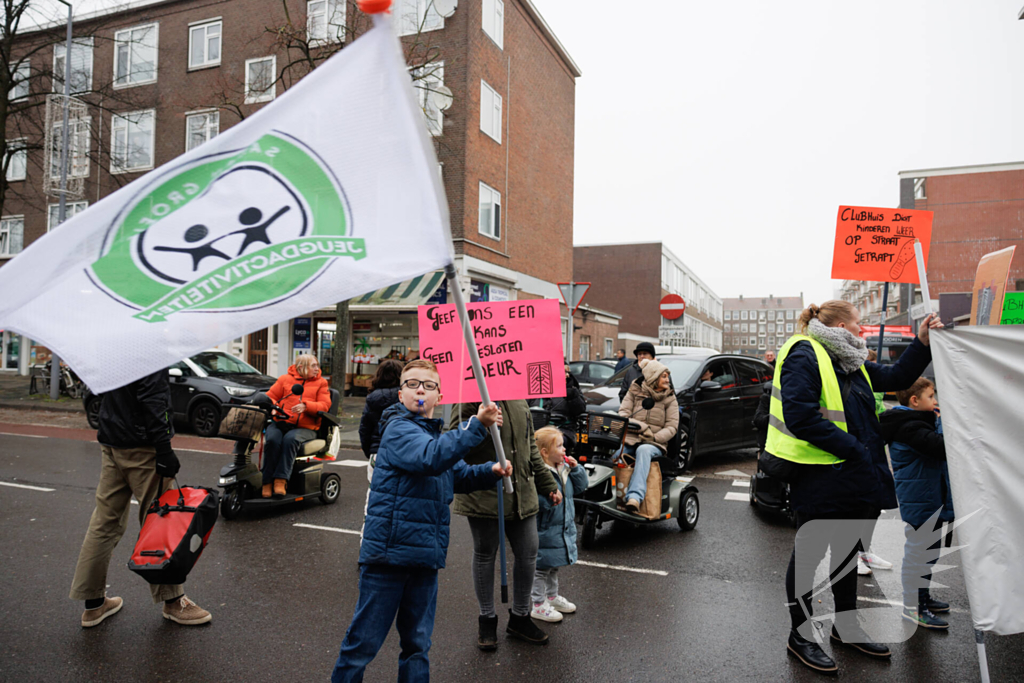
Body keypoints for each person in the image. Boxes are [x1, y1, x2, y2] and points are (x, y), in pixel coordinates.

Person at [767, 300, 941, 675]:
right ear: (842, 326)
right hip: (819, 475)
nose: (863, 331)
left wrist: (922, 343)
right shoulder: (805, 354)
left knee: (847, 555)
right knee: (809, 558)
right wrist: (856, 449)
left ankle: (845, 628)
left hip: (854, 477)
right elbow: (800, 415)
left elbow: (896, 377)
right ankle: (799, 635)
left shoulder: (850, 360)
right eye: (859, 325)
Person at [331, 360, 510, 682]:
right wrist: (475, 426)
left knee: (417, 645)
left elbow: (454, 474)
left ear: (439, 396)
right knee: (362, 644)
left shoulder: (433, 436)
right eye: (413, 384)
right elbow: (430, 458)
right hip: (388, 557)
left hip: (425, 557)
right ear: (401, 394)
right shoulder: (398, 428)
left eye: (428, 385)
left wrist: (490, 471)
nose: (420, 390)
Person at [69, 368, 211, 628]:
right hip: (142, 445)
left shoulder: (115, 347)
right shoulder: (150, 350)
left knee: (104, 522)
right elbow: (153, 399)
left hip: (112, 440)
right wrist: (164, 449)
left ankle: (93, 604)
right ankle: (173, 601)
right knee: (160, 519)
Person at [450, 399, 561, 650]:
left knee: (528, 552)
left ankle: (520, 617)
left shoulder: (519, 400)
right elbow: (455, 443)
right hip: (485, 491)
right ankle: (486, 619)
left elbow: (529, 445)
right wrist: (481, 424)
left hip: (522, 491)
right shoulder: (471, 395)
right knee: (485, 553)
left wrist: (547, 483)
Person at [880, 377, 953, 630]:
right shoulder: (908, 426)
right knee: (918, 556)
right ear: (915, 400)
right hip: (921, 501)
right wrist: (943, 421)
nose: (935, 402)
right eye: (931, 397)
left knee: (928, 555)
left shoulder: (915, 423)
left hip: (928, 498)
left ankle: (922, 598)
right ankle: (913, 608)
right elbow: (943, 447)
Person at [530, 426, 588, 623]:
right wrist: (549, 500)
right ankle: (538, 604)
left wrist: (576, 469)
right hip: (545, 529)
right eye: (560, 446)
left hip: (561, 527)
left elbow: (581, 487)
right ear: (545, 452)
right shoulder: (539, 474)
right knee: (540, 568)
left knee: (553, 565)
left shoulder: (563, 469)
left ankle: (552, 597)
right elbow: (533, 501)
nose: (565, 449)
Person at [262, 354, 331, 498]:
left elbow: (325, 405)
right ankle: (267, 481)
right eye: (313, 365)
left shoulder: (321, 383)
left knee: (290, 440)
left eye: (317, 365)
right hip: (281, 422)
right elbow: (271, 396)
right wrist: (273, 407)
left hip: (307, 427)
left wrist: (306, 406)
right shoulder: (284, 380)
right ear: (301, 367)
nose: (317, 369)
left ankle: (281, 480)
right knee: (272, 440)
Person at [618, 358, 678, 513]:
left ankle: (634, 498)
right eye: (663, 376)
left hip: (655, 444)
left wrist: (654, 438)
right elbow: (623, 414)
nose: (667, 379)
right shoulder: (634, 391)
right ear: (652, 378)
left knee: (643, 450)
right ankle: (611, 495)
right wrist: (642, 428)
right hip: (631, 439)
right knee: (617, 453)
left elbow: (672, 427)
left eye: (667, 376)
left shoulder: (670, 398)